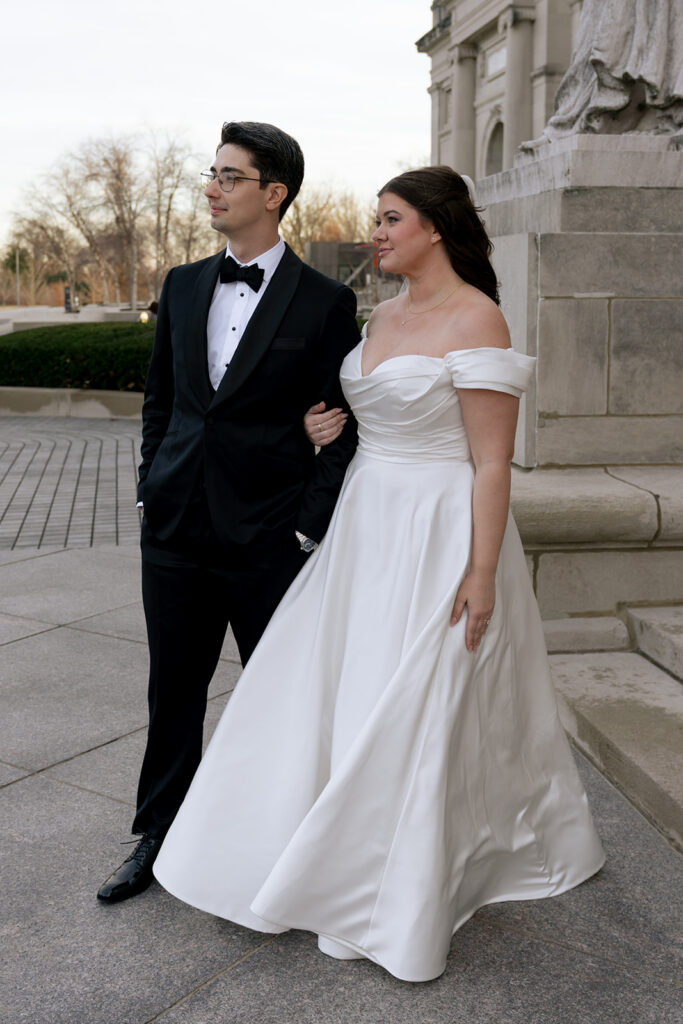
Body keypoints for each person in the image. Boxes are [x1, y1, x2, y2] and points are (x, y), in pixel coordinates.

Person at [151, 166, 605, 982]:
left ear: (434, 226)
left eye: (391, 219)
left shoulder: (479, 318)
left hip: (436, 525)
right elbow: (364, 413)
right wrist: (321, 429)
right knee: (339, 685)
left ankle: (391, 885)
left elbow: (492, 463)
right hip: (365, 522)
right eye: (376, 219)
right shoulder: (380, 314)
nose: (378, 232)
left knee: (415, 696)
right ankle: (298, 842)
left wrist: (480, 571)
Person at [97, 121, 360, 903]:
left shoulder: (324, 301)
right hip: (173, 527)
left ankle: (286, 844)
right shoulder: (180, 285)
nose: (212, 186)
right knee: (171, 689)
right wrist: (152, 484)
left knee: (278, 693)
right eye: (211, 173)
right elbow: (161, 401)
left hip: (267, 536)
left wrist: (305, 522)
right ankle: (156, 837)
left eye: (229, 176)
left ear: (273, 194)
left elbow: (345, 426)